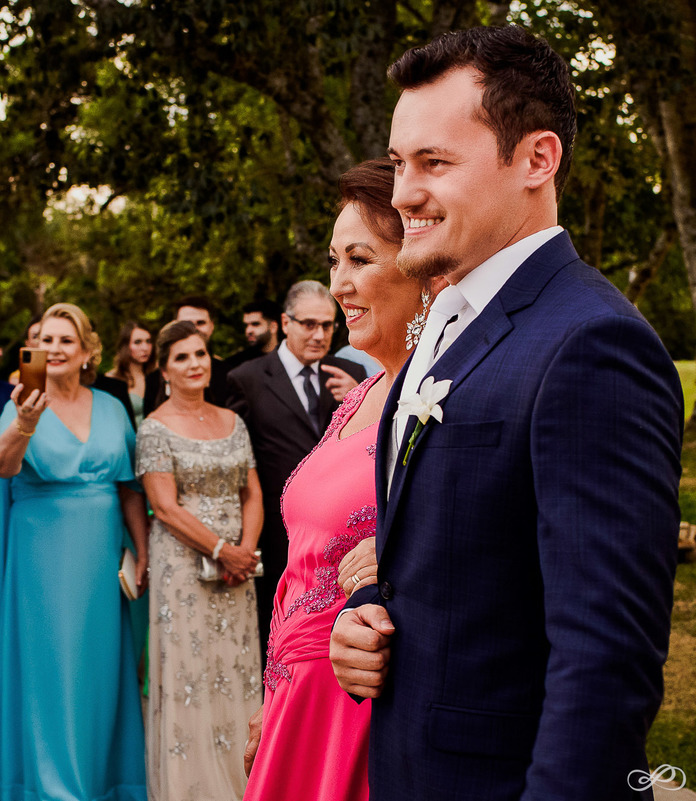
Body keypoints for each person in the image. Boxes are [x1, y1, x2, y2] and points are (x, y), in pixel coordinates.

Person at [328, 26, 683, 800]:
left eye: (434, 163)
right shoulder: (442, 324)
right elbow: (458, 555)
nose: (402, 195)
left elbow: (605, 666)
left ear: (536, 159)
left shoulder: (593, 345)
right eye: (398, 164)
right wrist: (367, 611)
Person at [241, 160, 442, 801]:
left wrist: (404, 548)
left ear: (421, 266)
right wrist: (272, 698)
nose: (339, 286)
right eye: (335, 262)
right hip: (296, 697)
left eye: (359, 259)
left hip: (358, 707)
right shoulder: (360, 397)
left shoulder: (446, 391)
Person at [0, 302, 149, 801]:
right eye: (46, 340)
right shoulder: (23, 401)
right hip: (40, 560)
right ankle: (51, 787)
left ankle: (101, 780)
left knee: (98, 671)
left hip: (100, 559)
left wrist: (143, 548)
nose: (54, 349)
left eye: (66, 340)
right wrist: (24, 423)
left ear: (87, 351)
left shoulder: (110, 406)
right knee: (50, 670)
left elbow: (130, 486)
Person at [137, 320, 262, 801]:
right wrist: (219, 549)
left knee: (237, 668)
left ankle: (246, 781)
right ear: (164, 369)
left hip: (238, 572)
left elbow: (252, 491)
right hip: (185, 571)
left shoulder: (233, 421)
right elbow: (165, 507)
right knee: (192, 672)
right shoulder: (154, 428)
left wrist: (245, 552)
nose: (195, 364)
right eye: (183, 357)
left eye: (201, 354)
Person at [226, 282, 367, 656]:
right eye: (308, 324)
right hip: (276, 532)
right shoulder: (247, 379)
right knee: (277, 633)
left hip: (343, 533)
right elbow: (240, 463)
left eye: (327, 325)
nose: (319, 335)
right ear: (284, 323)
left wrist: (360, 396)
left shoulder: (351, 372)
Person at [143, 296, 230, 414]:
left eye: (201, 323)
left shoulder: (229, 373)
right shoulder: (154, 379)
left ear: (212, 326)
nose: (194, 329)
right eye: (186, 323)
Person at [105, 320, 155, 427]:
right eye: (138, 342)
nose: (145, 348)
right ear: (126, 346)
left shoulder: (157, 375)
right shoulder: (112, 380)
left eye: (148, 341)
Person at [225, 300, 283, 371]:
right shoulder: (236, 364)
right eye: (246, 325)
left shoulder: (290, 359)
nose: (248, 331)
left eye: (255, 324)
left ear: (273, 327)